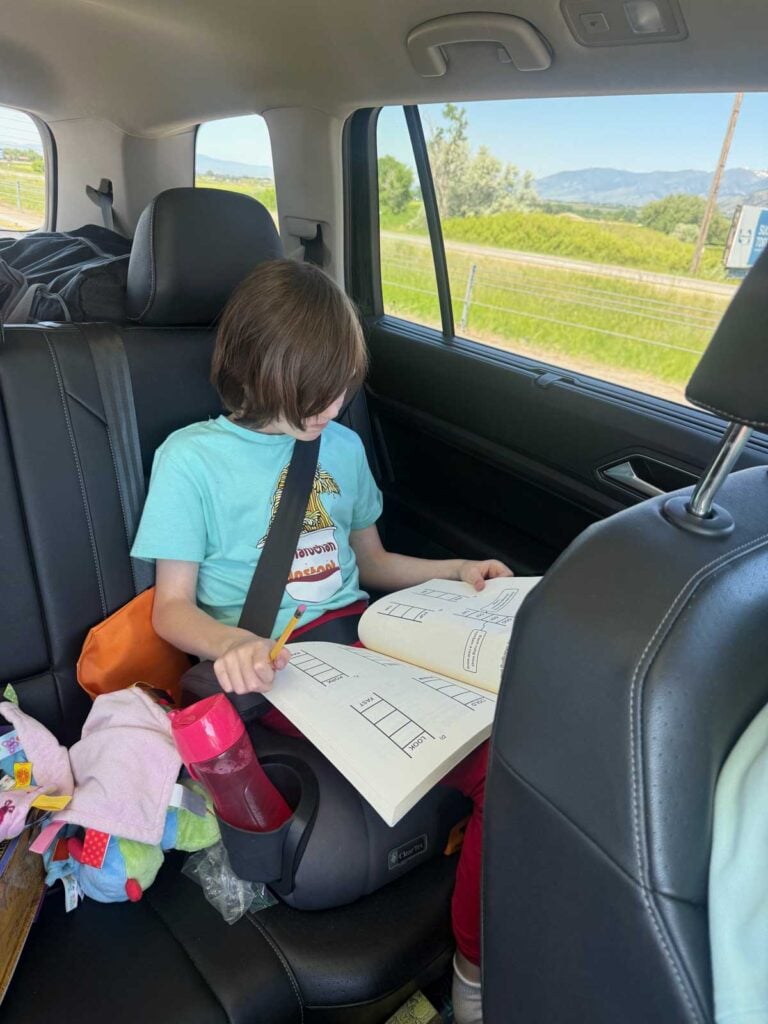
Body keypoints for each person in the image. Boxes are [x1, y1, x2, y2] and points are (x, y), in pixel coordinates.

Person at [131, 257, 513, 1024]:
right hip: (276, 667)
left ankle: (472, 966)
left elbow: (371, 564)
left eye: (342, 387)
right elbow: (170, 610)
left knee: (513, 764)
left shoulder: (337, 447)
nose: (337, 405)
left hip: (366, 643)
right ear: (260, 370)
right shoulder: (191, 461)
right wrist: (230, 643)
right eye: (319, 390)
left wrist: (458, 571)